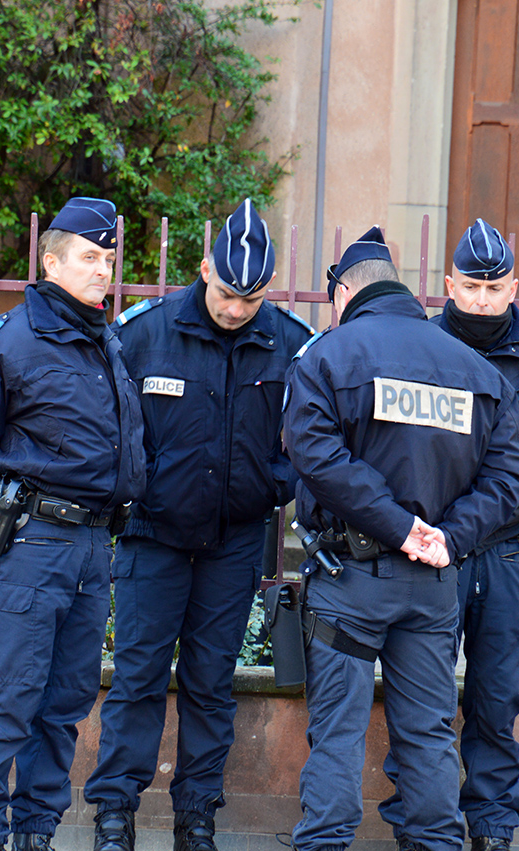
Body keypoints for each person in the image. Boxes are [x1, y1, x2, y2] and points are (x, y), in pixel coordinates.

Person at [283, 227, 519, 851]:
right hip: (435, 585)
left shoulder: (328, 357)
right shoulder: (475, 369)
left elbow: (315, 457)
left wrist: (397, 528)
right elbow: (510, 478)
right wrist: (445, 537)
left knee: (337, 730)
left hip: (351, 579)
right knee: (427, 733)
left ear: (344, 293)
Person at [84, 199, 315, 851]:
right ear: (205, 267)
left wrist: (277, 486)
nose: (236, 309)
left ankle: (197, 818)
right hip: (152, 539)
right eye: (226, 292)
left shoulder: (291, 341)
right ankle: (113, 816)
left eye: (251, 297)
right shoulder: (145, 331)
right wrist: (139, 490)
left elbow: (313, 436)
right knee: (137, 678)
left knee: (213, 684)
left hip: (236, 541)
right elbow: (110, 428)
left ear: (266, 288)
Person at [0, 196, 146, 851]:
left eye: (108, 258)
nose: (102, 270)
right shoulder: (6, 340)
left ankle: (35, 832)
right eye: (88, 257)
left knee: (66, 702)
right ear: (50, 260)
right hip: (30, 543)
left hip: (89, 546)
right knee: (11, 699)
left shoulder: (103, 340)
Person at [380, 219, 519, 851]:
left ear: (515, 285)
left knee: (496, 700)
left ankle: (492, 827)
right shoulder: (416, 348)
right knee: (422, 699)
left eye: (495, 289)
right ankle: (418, 824)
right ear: (448, 285)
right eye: (470, 287)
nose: (483, 301)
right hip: (433, 550)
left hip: (509, 553)